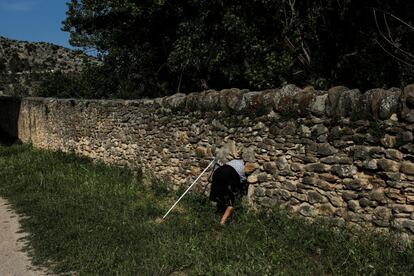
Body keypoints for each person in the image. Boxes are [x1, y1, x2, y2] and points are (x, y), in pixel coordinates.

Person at [209, 159, 248, 225]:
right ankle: (222, 222)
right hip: (229, 175)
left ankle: (213, 216)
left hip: (217, 172)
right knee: (232, 201)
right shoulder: (244, 167)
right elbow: (243, 180)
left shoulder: (234, 161)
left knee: (217, 195)